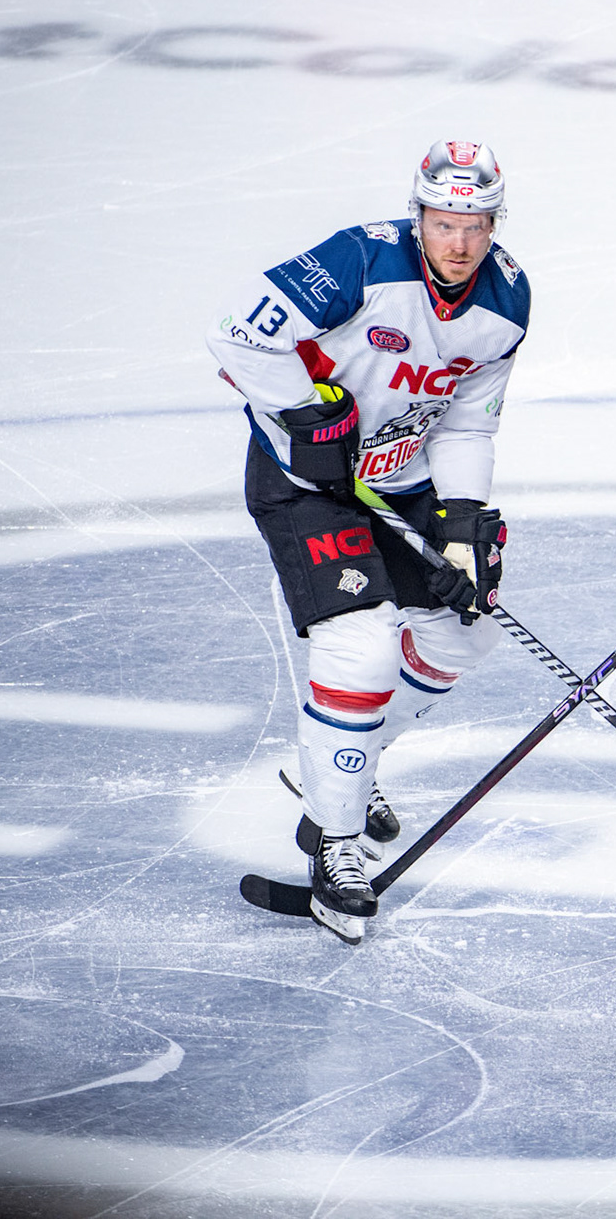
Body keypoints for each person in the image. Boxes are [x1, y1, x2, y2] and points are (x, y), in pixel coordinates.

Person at [207, 140, 530, 944]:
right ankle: (336, 847)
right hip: (308, 485)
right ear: (417, 213)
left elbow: (464, 415)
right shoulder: (359, 260)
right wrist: (304, 415)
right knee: (361, 651)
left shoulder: (508, 301)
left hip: (402, 478)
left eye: (476, 225)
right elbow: (237, 336)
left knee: (464, 632)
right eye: (445, 221)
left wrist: (461, 517)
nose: (459, 243)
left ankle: (330, 772)